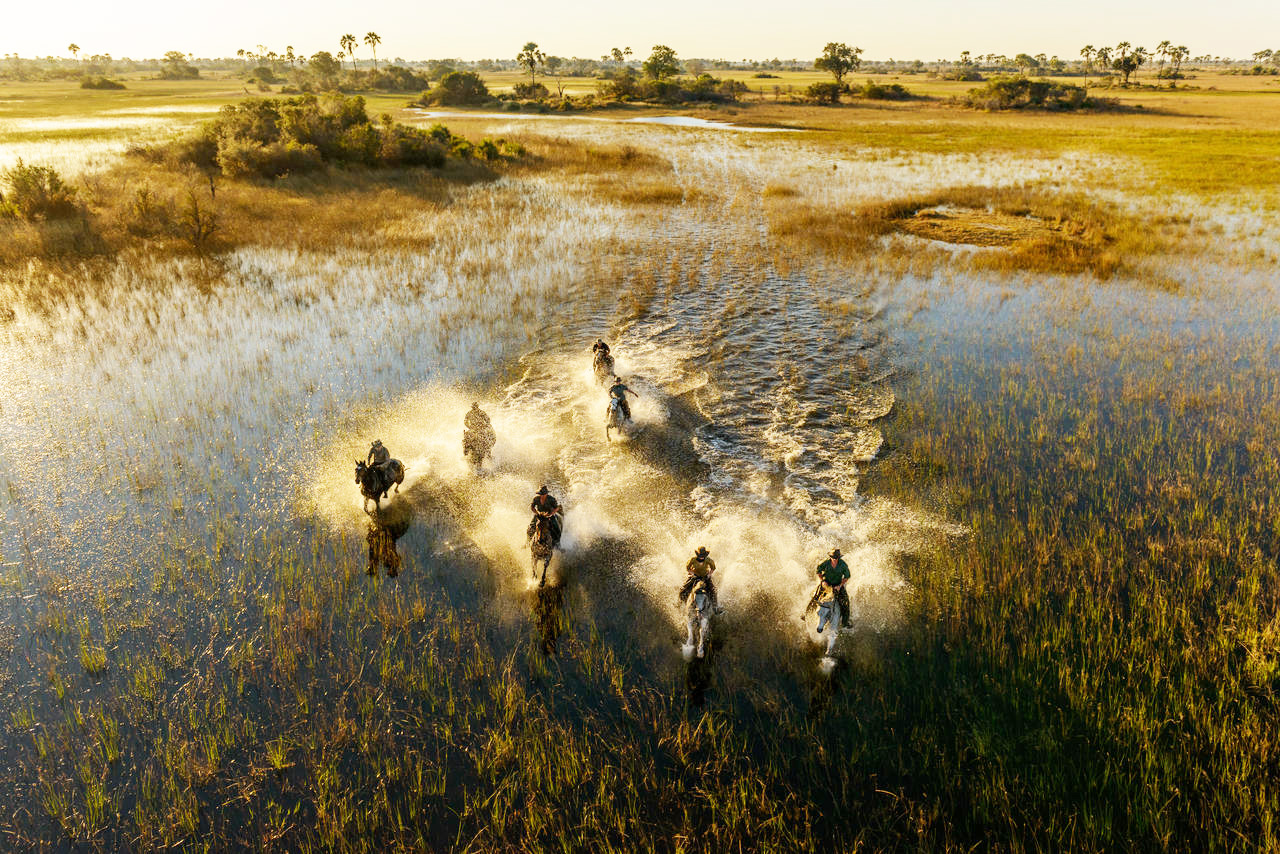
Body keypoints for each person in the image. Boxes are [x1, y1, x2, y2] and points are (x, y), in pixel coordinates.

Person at [815, 548, 852, 630]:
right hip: (826, 584)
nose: (835, 560)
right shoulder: (825, 562)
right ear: (830, 557)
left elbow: (847, 577)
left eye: (836, 558)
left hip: (837, 585)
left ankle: (845, 623)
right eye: (833, 558)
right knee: (815, 597)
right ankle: (807, 614)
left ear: (839, 558)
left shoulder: (843, 564)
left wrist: (840, 585)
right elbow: (818, 571)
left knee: (846, 603)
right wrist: (823, 580)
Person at [679, 546, 721, 611]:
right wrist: (693, 574)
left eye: (703, 555)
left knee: (713, 590)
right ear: (697, 554)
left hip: (705, 576)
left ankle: (715, 607)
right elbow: (688, 568)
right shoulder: (693, 559)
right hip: (695, 576)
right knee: (684, 589)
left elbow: (713, 568)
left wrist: (709, 574)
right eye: (700, 555)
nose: (701, 557)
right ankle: (680, 603)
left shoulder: (708, 560)